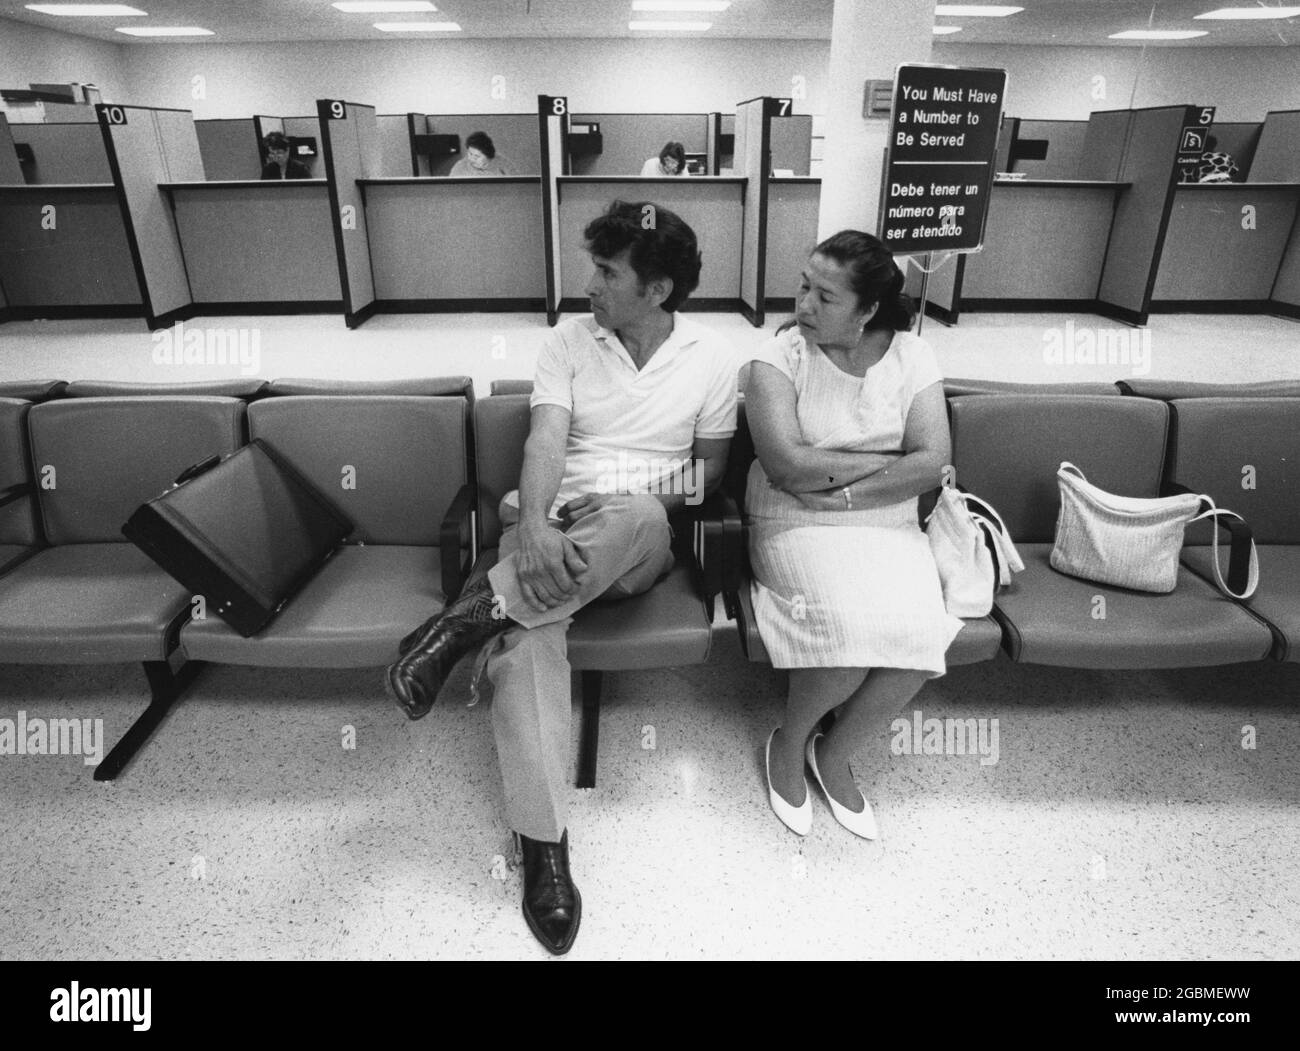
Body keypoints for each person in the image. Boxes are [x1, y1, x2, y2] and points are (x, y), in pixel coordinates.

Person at [385, 200, 737, 954]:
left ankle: (460, 622)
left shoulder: (713, 356)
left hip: (637, 538)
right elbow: (545, 440)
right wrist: (538, 521)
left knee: (637, 510)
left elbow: (708, 477)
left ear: (659, 290)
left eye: (608, 273)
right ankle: (544, 849)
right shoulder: (568, 341)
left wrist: (635, 498)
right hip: (549, 524)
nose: (591, 284)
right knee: (526, 647)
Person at [742, 230, 960, 842]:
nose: (804, 306)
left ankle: (833, 753)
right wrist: (892, 460)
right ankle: (788, 742)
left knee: (919, 641)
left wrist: (839, 477)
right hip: (794, 519)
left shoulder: (912, 355)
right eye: (804, 286)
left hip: (883, 521)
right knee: (847, 637)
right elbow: (786, 466)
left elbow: (935, 461)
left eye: (826, 297)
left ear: (868, 311)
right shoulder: (777, 357)